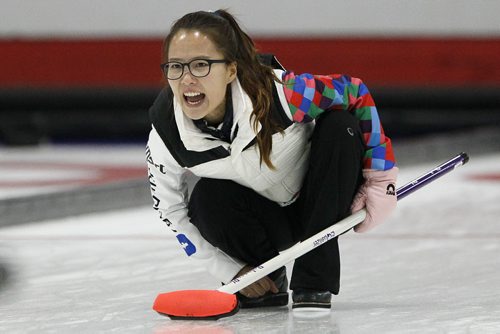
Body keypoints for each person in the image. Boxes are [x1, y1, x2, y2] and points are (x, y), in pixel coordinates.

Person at [146, 9, 398, 311]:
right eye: (176, 67)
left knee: (340, 127)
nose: (186, 79)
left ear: (230, 70)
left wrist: (380, 177)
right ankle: (266, 276)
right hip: (266, 221)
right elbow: (171, 211)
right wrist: (230, 271)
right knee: (206, 198)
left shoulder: (282, 93)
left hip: (323, 198)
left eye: (201, 65)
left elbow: (355, 91)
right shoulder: (166, 136)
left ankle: (313, 282)